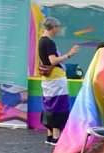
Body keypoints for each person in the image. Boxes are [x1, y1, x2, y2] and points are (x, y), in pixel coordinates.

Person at [38, 17, 79, 145]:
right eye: (58, 27)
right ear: (53, 28)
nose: (59, 29)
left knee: (49, 103)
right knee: (59, 104)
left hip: (48, 78)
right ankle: (56, 135)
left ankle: (50, 134)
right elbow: (53, 60)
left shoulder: (41, 40)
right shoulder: (49, 42)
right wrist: (69, 54)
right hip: (55, 78)